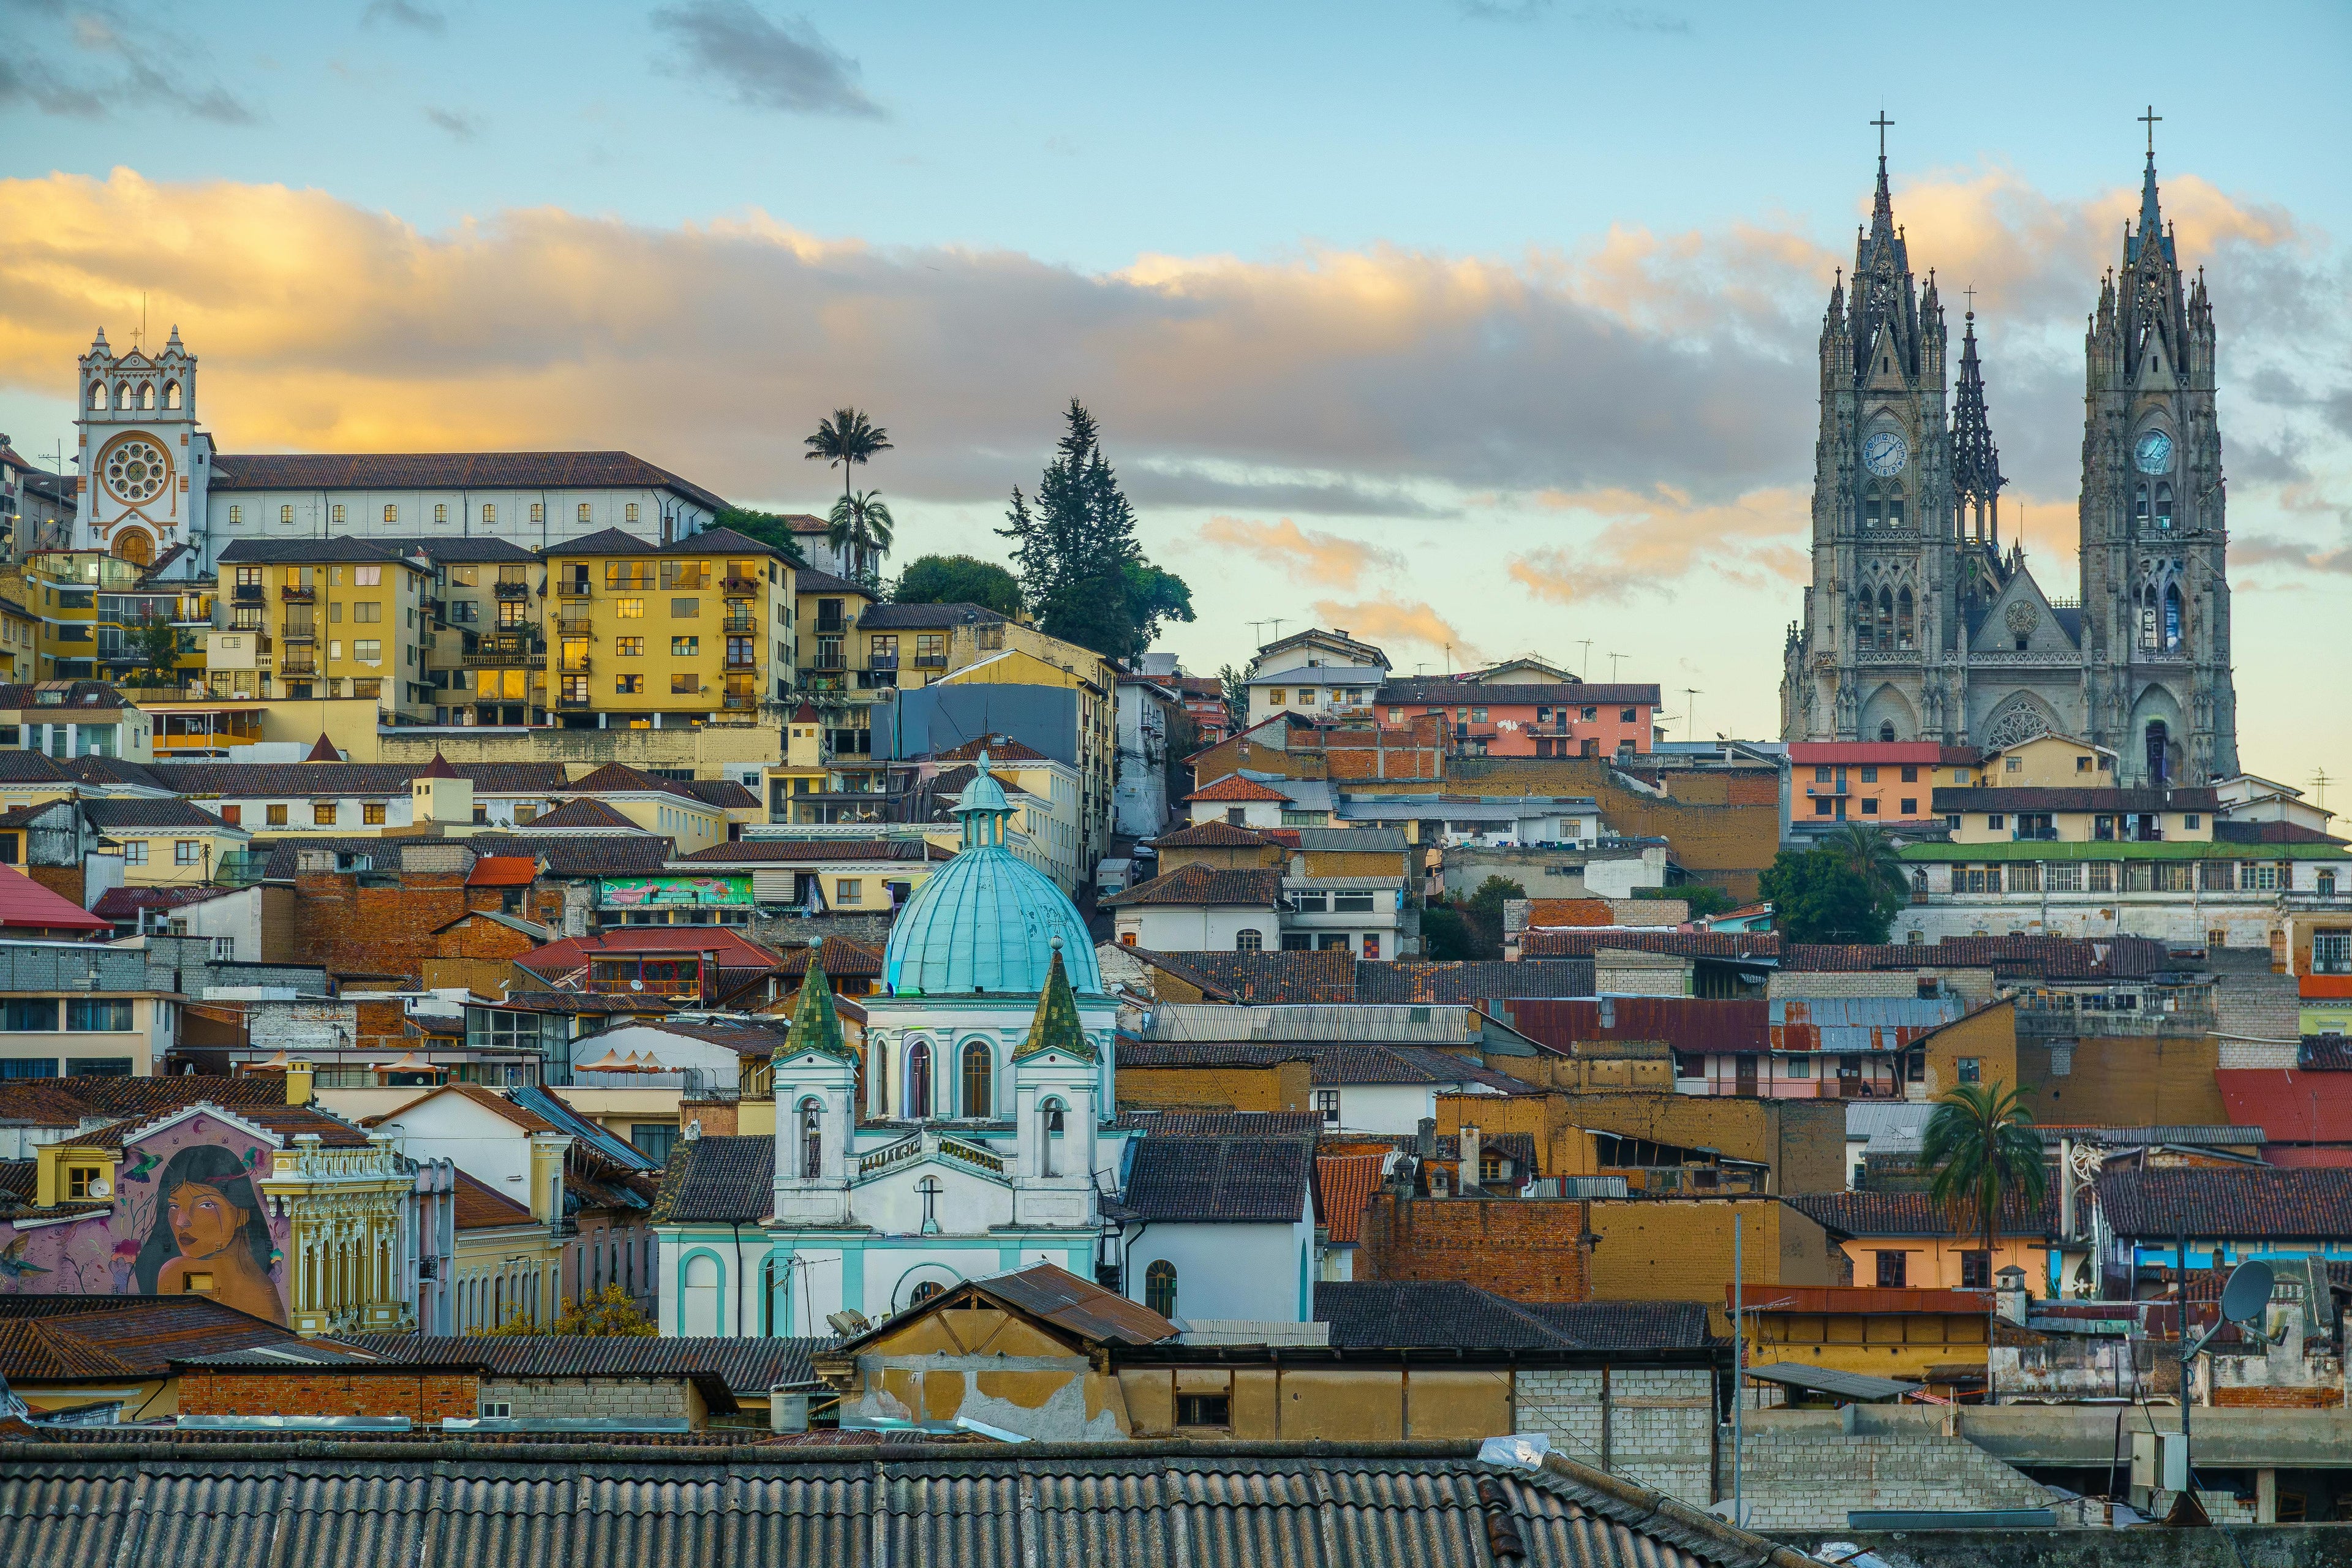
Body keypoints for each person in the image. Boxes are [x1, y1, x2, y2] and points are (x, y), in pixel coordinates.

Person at [132, 1144, 283, 1324]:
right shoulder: (181, 1272)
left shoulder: (179, 1272)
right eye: (174, 1206)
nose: (182, 1221)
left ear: (243, 1213)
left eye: (206, 1205)